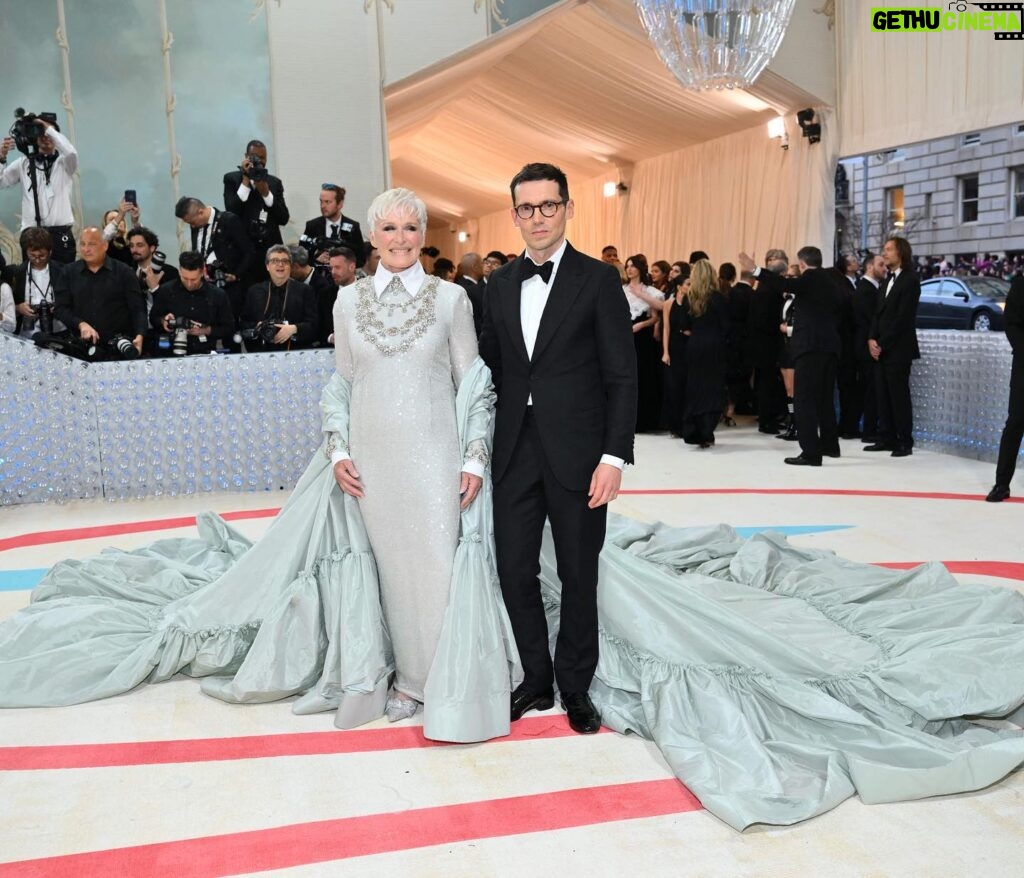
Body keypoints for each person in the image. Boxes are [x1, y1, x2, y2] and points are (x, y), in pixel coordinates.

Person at [479, 162, 637, 735]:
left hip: (579, 454)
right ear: (514, 213)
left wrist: (613, 457)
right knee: (514, 571)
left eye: (549, 206)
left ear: (568, 208)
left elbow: (622, 375)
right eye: (527, 208)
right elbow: (489, 371)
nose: (538, 217)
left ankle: (576, 686)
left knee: (578, 574)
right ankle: (536, 678)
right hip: (513, 452)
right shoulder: (497, 286)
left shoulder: (597, 280)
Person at [741, 246, 842, 466]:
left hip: (809, 348)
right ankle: (829, 446)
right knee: (824, 399)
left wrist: (756, 270)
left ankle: (810, 453)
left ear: (803, 263)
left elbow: (784, 283)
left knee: (803, 399)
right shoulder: (830, 281)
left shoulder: (810, 279)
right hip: (830, 348)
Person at [53, 227, 147, 358]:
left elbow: (138, 309)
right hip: (80, 349)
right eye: (83, 244)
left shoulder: (124, 272)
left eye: (91, 244)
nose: (86, 249)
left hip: (117, 349)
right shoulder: (68, 272)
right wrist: (80, 324)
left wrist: (140, 335)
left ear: (105, 246)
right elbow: (60, 308)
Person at [866, 236, 921, 457]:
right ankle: (886, 437)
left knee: (898, 396)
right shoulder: (887, 280)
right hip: (881, 348)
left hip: (898, 349)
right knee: (883, 395)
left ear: (901, 253)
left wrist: (882, 343)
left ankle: (904, 441)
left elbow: (903, 318)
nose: (884, 253)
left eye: (889, 249)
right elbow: (877, 314)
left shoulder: (910, 280)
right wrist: (871, 339)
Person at [0, 115, 77, 263]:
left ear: (56, 136)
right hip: (31, 233)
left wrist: (45, 126)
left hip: (60, 232)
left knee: (64, 280)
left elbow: (71, 152)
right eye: (40, 132)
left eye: (49, 133)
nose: (45, 136)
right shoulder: (23, 163)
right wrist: (1, 157)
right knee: (33, 281)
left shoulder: (66, 162)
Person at [675, 259, 731, 448]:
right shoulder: (718, 298)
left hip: (695, 345)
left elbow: (683, 326)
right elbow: (727, 326)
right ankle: (707, 430)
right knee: (713, 388)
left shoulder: (689, 298)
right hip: (714, 345)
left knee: (695, 387)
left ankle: (695, 429)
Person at [174, 195, 255, 322]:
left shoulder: (229, 220)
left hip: (229, 286)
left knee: (229, 326)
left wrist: (236, 275)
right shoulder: (195, 225)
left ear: (200, 212)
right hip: (205, 286)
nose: (192, 226)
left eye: (192, 222)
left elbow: (249, 252)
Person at [149, 250, 235, 356]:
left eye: (194, 279)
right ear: (180, 271)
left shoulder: (218, 295)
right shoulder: (166, 290)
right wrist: (164, 321)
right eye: (185, 278)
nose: (189, 284)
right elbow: (153, 318)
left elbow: (229, 328)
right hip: (170, 354)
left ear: (202, 271)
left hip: (205, 354)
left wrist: (206, 330)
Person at [986, 273, 1024, 501]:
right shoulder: (1021, 283)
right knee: (1015, 423)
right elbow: (1012, 322)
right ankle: (1002, 484)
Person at [222, 139, 290, 266]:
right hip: (243, 251)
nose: (260, 161)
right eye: (255, 157)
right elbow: (231, 211)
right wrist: (245, 181)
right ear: (246, 157)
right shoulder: (232, 179)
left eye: (263, 157)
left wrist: (266, 194)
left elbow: (284, 218)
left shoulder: (274, 183)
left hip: (270, 251)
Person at [239, 245, 318, 351]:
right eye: (275, 261)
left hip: (295, 351)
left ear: (290, 266)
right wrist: (258, 326)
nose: (280, 264)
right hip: (262, 352)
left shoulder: (305, 291)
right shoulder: (254, 291)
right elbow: (244, 323)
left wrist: (294, 329)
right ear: (267, 266)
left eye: (285, 261)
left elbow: (314, 324)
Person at [623, 253, 666, 433]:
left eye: (633, 265)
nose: (629, 269)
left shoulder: (651, 291)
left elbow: (657, 315)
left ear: (640, 268)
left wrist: (642, 324)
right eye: (627, 266)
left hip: (643, 339)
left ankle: (645, 420)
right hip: (624, 337)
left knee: (644, 376)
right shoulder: (621, 289)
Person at [7, 227, 67, 338]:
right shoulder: (17, 272)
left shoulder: (63, 271)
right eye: (32, 256)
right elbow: (6, 305)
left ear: (50, 252)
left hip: (58, 328)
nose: (37, 259)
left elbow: (73, 300)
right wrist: (18, 308)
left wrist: (60, 306)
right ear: (26, 252)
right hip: (28, 330)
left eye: (42, 256)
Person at [853, 252, 885, 443]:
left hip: (867, 346)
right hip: (866, 347)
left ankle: (870, 428)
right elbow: (868, 321)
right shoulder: (866, 290)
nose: (884, 268)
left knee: (870, 389)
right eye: (881, 265)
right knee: (870, 390)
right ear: (870, 267)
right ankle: (869, 430)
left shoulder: (869, 289)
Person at [303, 184, 366, 269]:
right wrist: (316, 260)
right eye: (321, 201)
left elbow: (361, 259)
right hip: (320, 278)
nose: (322, 206)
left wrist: (344, 263)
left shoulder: (353, 226)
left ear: (340, 204)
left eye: (327, 202)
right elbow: (302, 259)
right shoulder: (312, 226)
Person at [455, 252, 485, 336]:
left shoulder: (456, 285)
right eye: (482, 263)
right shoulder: (475, 290)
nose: (484, 266)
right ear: (475, 267)